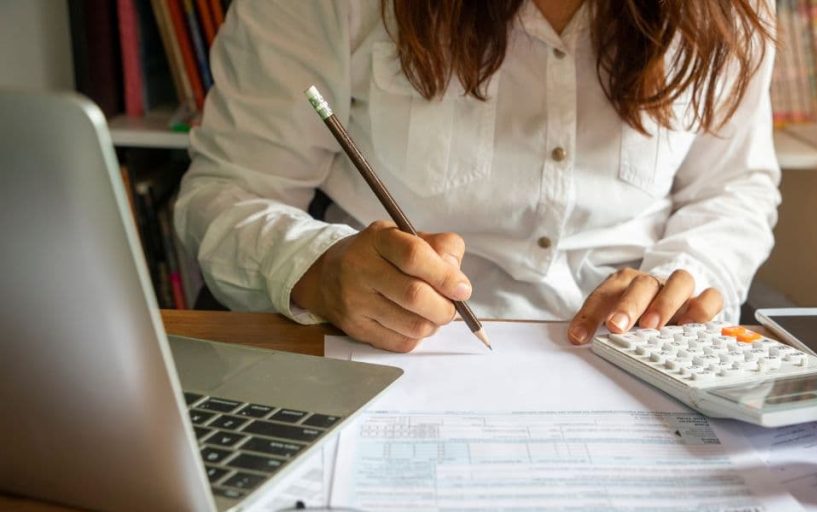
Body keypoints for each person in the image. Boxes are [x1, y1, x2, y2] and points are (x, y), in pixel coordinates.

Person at [176, 0, 780, 352]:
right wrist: (315, 268)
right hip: (388, 355)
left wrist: (685, 278)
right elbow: (228, 191)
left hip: (636, 356)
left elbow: (733, 189)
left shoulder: (729, 11)